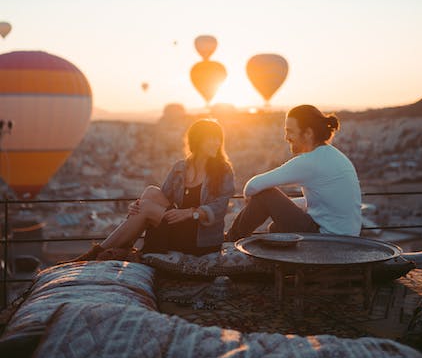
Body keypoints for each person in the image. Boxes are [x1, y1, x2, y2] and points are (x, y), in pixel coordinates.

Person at [71, 118, 235, 261]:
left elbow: (220, 207)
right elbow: (161, 197)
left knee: (147, 206)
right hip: (179, 226)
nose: (217, 143)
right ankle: (122, 247)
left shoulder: (223, 170)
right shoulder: (180, 168)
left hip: (201, 237)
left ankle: (96, 253)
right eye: (211, 138)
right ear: (197, 140)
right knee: (150, 192)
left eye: (218, 139)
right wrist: (137, 207)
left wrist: (191, 212)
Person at [226, 105, 362, 241]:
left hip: (326, 240)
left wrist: (253, 198)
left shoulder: (309, 161)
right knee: (275, 228)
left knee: (265, 194)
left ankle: (230, 240)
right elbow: (324, 201)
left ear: (308, 133)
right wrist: (282, 205)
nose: (286, 137)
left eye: (290, 131)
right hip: (347, 240)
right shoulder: (334, 156)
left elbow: (252, 186)